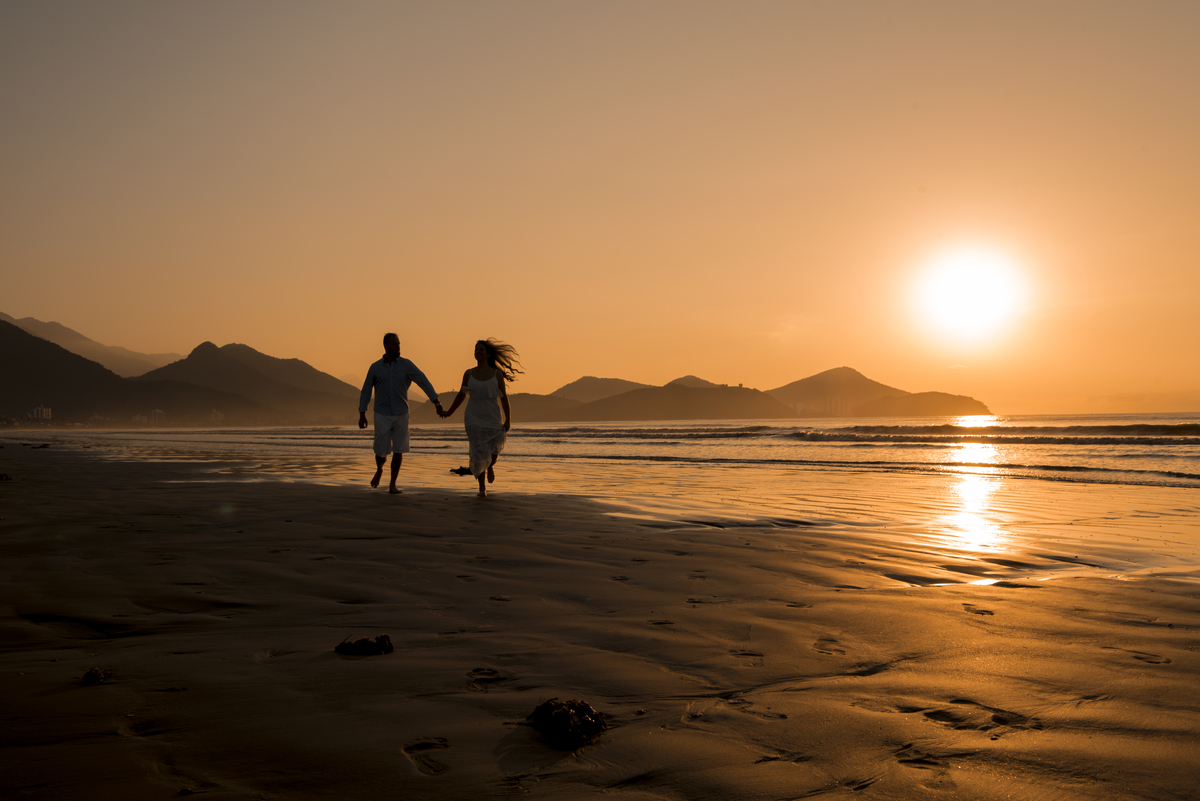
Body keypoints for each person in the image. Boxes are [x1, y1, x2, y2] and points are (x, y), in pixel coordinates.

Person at [358, 333, 443, 493]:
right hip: (382, 414)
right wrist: (362, 413)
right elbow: (366, 391)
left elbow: (423, 381)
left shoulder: (406, 365)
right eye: (394, 344)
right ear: (386, 346)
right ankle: (379, 469)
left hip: (402, 414)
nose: (398, 347)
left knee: (399, 450)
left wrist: (436, 402)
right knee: (381, 450)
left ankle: (393, 484)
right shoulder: (375, 367)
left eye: (398, 344)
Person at [439, 339, 521, 498]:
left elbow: (504, 398)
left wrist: (508, 419)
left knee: (494, 451)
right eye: (476, 350)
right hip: (473, 416)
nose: (478, 352)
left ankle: (490, 466)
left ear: (488, 354)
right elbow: (461, 395)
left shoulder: (496, 374)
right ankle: (482, 489)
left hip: (492, 415)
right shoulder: (469, 373)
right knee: (478, 452)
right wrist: (449, 412)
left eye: (481, 350)